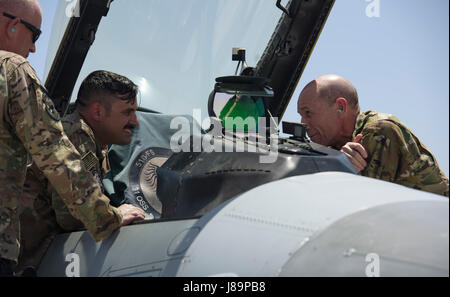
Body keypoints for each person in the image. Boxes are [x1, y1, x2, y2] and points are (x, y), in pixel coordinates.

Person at [0, 0, 144, 276]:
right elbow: (55, 156)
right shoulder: (12, 69)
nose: (33, 49)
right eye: (35, 35)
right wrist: (108, 217)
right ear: (14, 26)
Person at [17, 70, 146, 273]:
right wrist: (114, 216)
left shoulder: (90, 142)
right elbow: (73, 215)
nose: (135, 121)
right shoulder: (75, 136)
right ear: (97, 112)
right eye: (127, 112)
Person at [297, 74, 449, 197]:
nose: (303, 123)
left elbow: (361, 201)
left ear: (340, 107)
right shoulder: (335, 145)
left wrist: (339, 165)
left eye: (308, 113)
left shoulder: (379, 131)